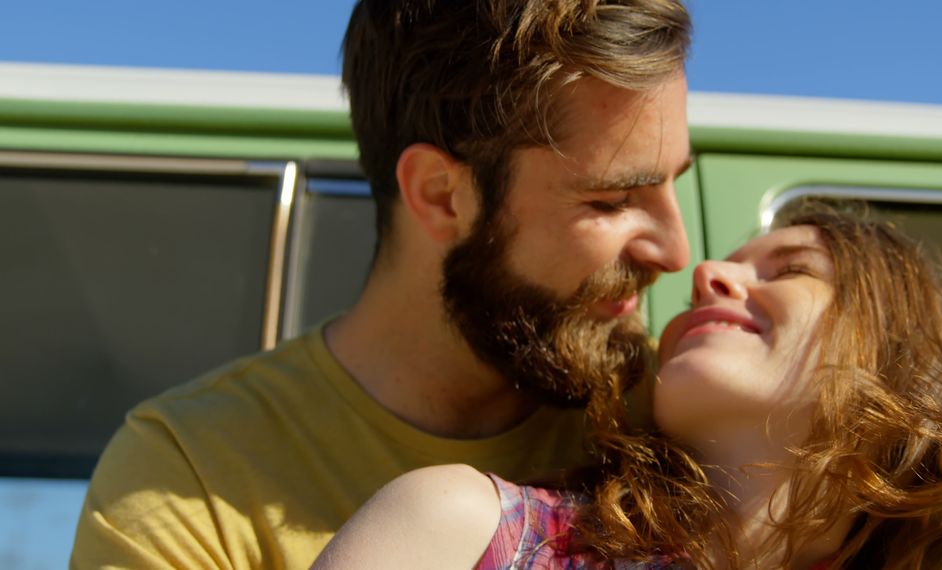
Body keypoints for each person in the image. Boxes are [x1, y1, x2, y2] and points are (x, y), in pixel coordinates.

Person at [71, 1, 693, 567]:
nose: (676, 250)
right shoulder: (193, 477)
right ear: (440, 195)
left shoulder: (689, 418)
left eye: (674, 182)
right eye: (612, 200)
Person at [312, 206, 942, 569]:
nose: (706, 274)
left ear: (902, 368)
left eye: (790, 271)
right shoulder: (463, 531)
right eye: (727, 266)